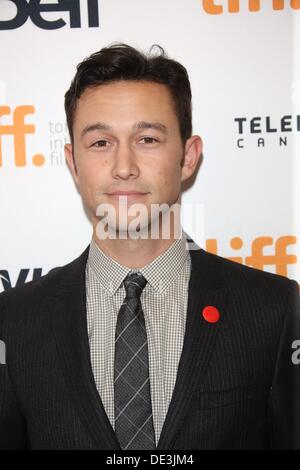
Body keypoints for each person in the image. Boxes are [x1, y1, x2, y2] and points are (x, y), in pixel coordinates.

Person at [0, 44, 299, 450]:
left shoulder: (274, 309)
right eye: (101, 143)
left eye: (147, 138)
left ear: (188, 157)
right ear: (73, 162)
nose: (124, 166)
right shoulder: (14, 320)